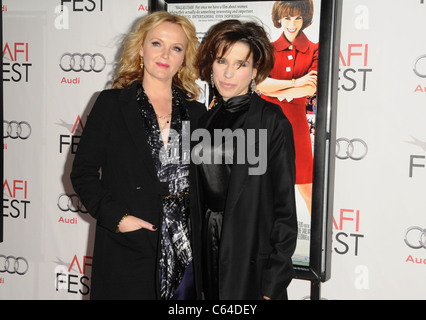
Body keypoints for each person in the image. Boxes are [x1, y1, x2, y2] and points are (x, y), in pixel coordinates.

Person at [70, 11, 206, 300]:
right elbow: (82, 172)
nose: (165, 54)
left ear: (184, 58)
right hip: (126, 249)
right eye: (157, 43)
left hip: (185, 253)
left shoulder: (197, 113)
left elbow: (205, 183)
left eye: (176, 48)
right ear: (141, 48)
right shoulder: (110, 104)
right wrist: (118, 218)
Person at [195, 19, 298, 300]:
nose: (228, 73)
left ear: (255, 70)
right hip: (208, 246)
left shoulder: (271, 121)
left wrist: (272, 282)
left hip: (250, 255)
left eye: (240, 64)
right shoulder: (204, 121)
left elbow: (285, 209)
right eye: (222, 61)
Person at [257, 0, 318, 214]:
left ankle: (317, 241)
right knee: (265, 186)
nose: (292, 23)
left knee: (307, 186)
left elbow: (310, 89)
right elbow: (260, 84)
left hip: (297, 127)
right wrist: (295, 83)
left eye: (298, 17)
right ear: (279, 19)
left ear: (305, 18)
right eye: (287, 18)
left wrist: (275, 91)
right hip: (266, 124)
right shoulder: (268, 50)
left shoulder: (314, 49)